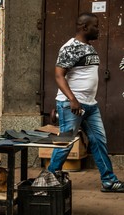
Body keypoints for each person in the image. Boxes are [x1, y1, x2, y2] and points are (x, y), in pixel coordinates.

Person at [48, 13, 123, 192]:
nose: (98, 29)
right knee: (65, 144)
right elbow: (59, 75)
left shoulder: (89, 47)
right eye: (95, 26)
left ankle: (109, 181)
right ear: (84, 27)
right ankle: (49, 178)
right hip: (72, 106)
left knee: (99, 141)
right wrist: (72, 100)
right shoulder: (70, 47)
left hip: (90, 105)